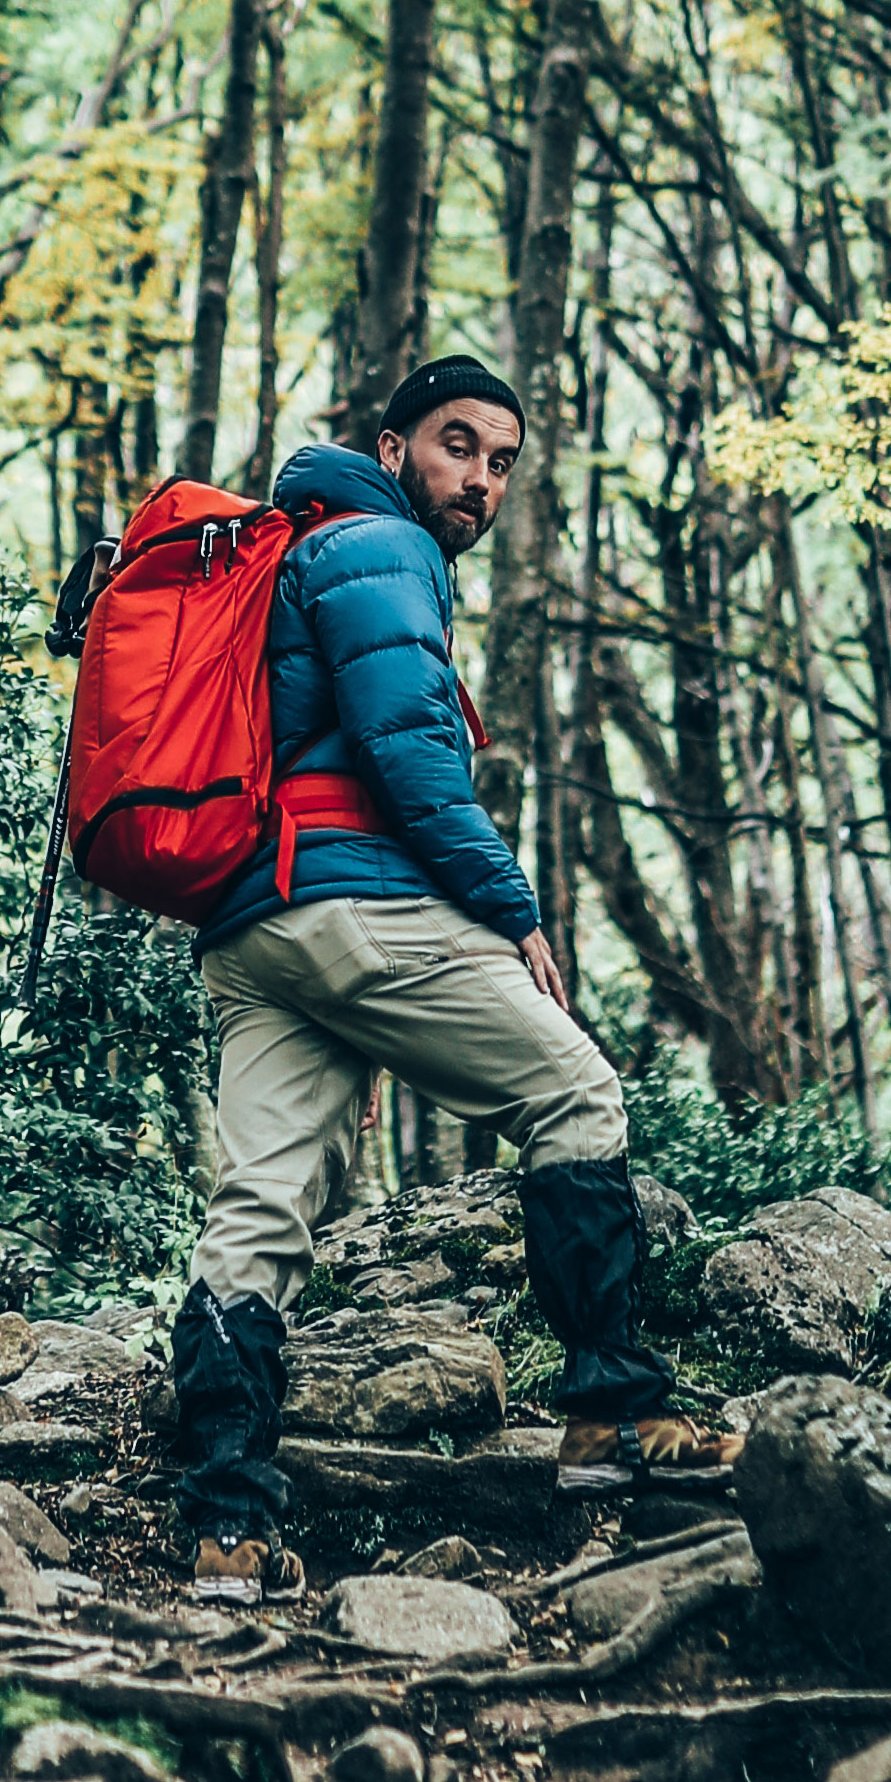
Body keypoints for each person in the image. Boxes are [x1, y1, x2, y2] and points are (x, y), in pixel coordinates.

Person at [165, 354, 740, 1604]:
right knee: (577, 1095)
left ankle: (225, 1523)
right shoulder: (379, 544)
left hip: (248, 932)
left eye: (499, 464)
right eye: (457, 446)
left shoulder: (286, 545)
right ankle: (615, 1423)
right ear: (392, 447)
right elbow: (407, 743)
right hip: (349, 898)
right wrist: (507, 908)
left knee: (256, 1213)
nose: (477, 480)